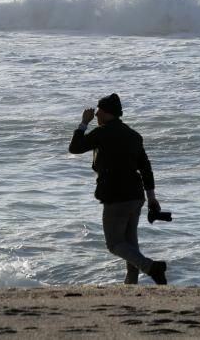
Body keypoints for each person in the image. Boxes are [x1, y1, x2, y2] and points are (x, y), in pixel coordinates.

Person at [68, 93, 167, 285]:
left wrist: (83, 124)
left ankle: (152, 268)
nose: (95, 115)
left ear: (106, 113)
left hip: (116, 197)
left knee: (114, 244)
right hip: (136, 196)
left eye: (98, 112)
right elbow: (145, 167)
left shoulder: (102, 133)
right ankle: (131, 283)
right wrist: (152, 197)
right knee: (130, 244)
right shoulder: (133, 135)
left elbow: (75, 148)